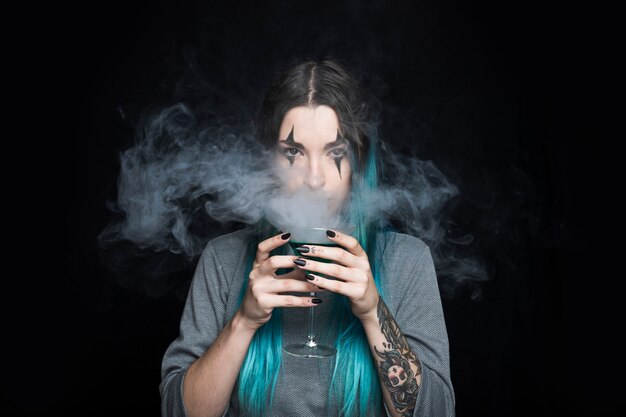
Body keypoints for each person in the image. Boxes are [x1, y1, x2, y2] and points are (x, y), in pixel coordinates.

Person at [160, 59, 455, 417]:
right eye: (293, 153)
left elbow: (436, 412)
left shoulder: (407, 260)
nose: (314, 180)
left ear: (358, 163)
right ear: (268, 161)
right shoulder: (224, 259)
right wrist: (245, 320)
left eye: (336, 153)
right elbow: (178, 411)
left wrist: (372, 311)